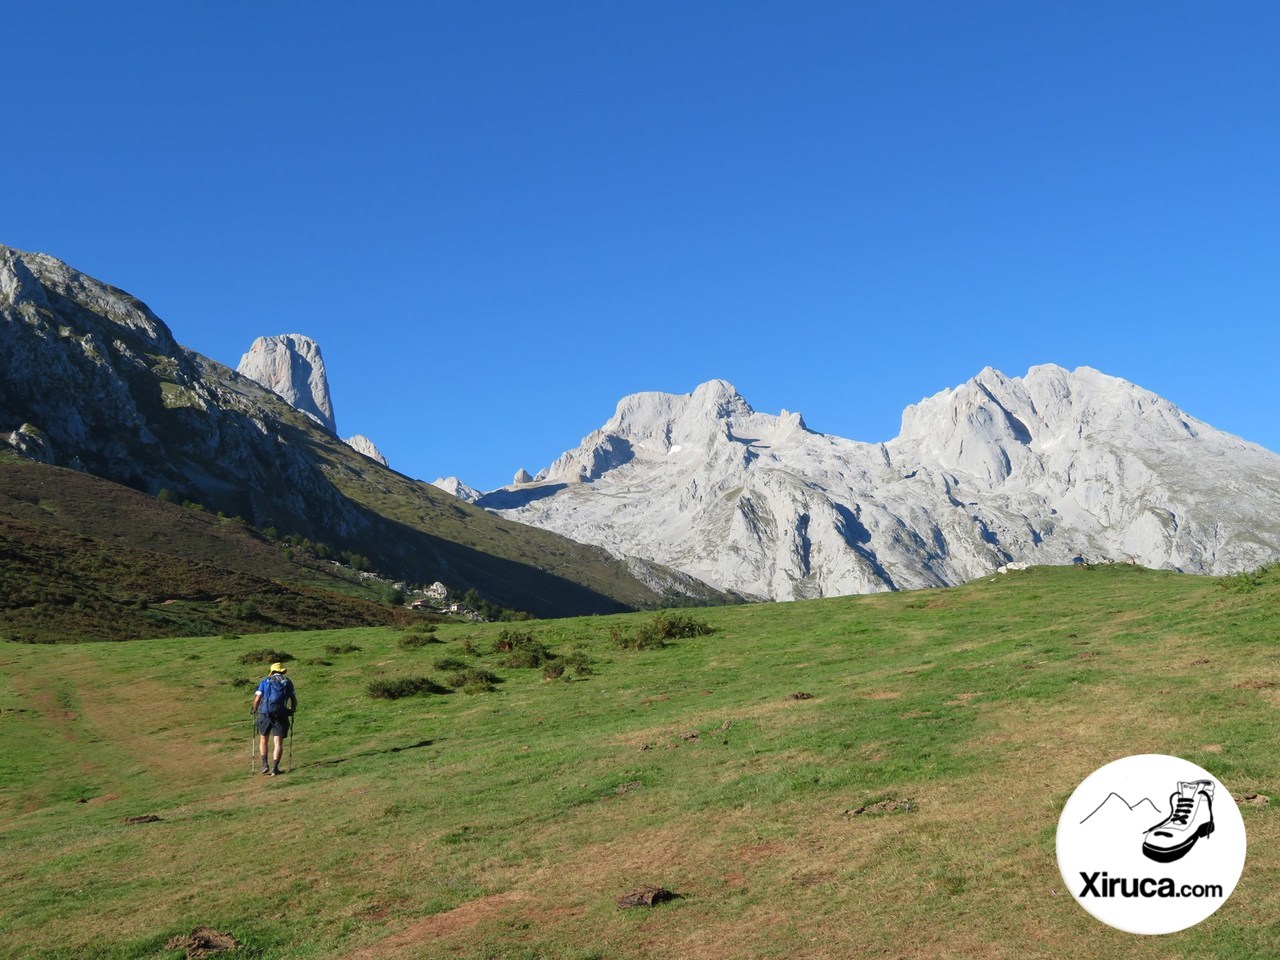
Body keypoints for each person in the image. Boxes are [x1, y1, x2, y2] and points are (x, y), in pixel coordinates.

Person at [250, 662, 297, 776]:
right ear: (283, 671)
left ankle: (265, 765)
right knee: (278, 742)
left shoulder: (266, 681)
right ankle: (275, 768)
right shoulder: (287, 682)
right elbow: (293, 699)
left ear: (272, 671)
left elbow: (257, 699)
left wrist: (254, 709)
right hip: (281, 712)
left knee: (263, 739)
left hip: (265, 712)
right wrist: (292, 709)